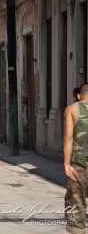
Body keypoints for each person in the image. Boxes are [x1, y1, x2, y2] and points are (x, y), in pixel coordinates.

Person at [64, 83, 88, 233]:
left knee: (76, 207)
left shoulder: (72, 109)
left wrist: (66, 163)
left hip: (80, 166)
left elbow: (68, 138)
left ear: (79, 95)